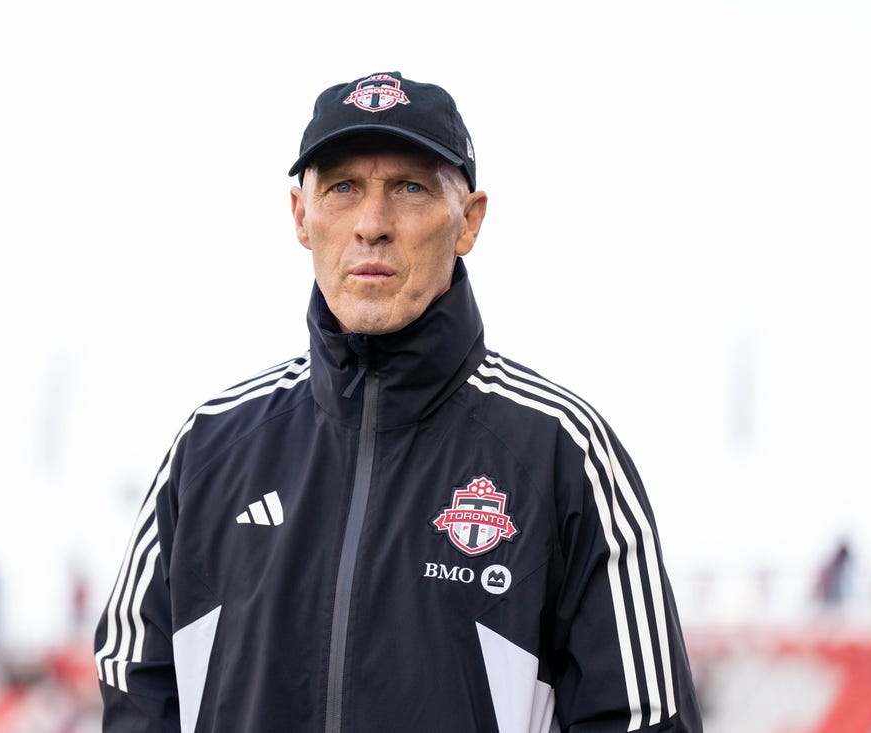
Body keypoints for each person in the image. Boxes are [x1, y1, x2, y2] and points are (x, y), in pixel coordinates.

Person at [94, 71, 703, 732]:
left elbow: (644, 719)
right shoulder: (210, 449)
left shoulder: (563, 454)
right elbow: (134, 689)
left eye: (410, 188)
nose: (372, 225)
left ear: (469, 220)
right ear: (301, 216)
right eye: (342, 188)